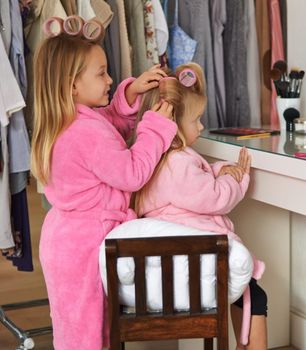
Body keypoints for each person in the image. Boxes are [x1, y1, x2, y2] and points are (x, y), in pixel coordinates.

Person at [30, 17, 178, 350]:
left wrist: (132, 91)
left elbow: (106, 129)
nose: (111, 79)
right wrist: (155, 127)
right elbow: (132, 172)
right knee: (86, 336)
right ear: (72, 86)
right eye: (101, 74)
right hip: (81, 246)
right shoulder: (86, 132)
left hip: (64, 239)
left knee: (76, 330)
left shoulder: (70, 122)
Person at [133, 62, 268, 350]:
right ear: (173, 125)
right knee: (255, 295)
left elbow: (195, 183)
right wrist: (238, 179)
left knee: (247, 291)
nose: (202, 126)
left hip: (169, 268)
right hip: (197, 269)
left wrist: (217, 170)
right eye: (196, 120)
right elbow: (215, 199)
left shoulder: (152, 162)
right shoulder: (178, 163)